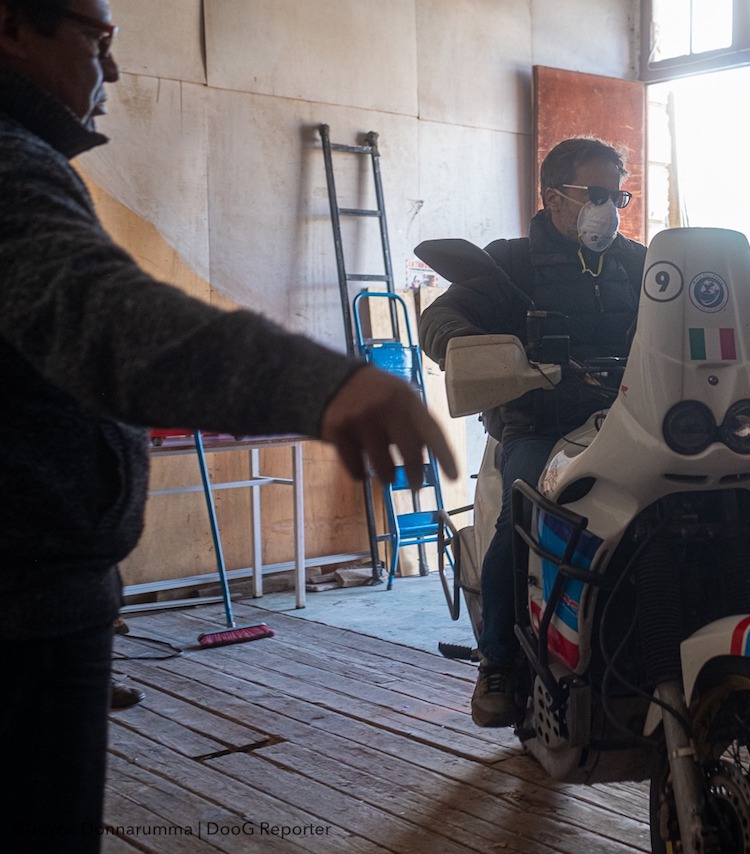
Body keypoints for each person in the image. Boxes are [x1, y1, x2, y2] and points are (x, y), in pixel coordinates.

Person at [0, 1, 457, 849]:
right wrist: (326, 383)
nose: (115, 69)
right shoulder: (9, 165)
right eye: (99, 40)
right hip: (22, 614)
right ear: (12, 28)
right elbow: (105, 315)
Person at [419, 137, 646, 727]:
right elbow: (439, 317)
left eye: (616, 196)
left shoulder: (640, 264)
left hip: (631, 421)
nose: (608, 209)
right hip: (540, 423)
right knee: (522, 518)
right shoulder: (510, 264)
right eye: (594, 194)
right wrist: (470, 347)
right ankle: (497, 661)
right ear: (553, 197)